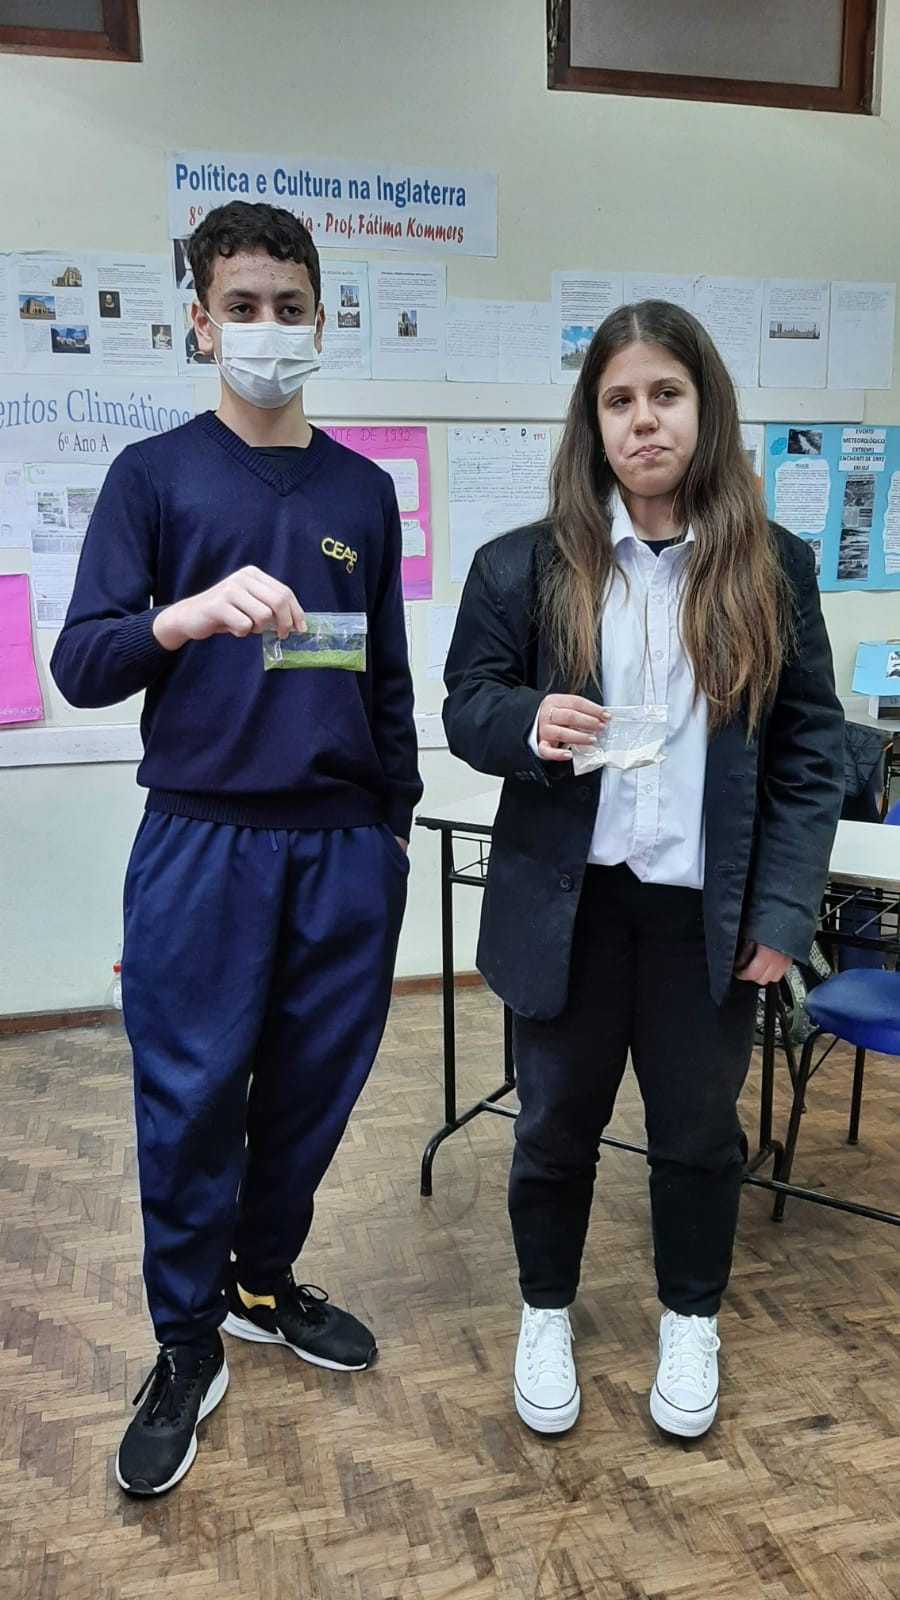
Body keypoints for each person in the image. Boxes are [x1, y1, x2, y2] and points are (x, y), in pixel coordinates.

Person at [51, 201, 421, 1495]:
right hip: (202, 845)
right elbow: (81, 662)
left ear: (324, 318)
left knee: (314, 1092)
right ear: (199, 323)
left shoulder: (363, 492)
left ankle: (262, 1280)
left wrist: (391, 830)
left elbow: (385, 678)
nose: (269, 328)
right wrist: (183, 616)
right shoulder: (152, 478)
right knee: (192, 1100)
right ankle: (184, 1336)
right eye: (243, 307)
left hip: (342, 850)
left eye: (290, 306)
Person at [443, 300, 843, 1441]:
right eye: (619, 400)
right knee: (553, 1129)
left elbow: (810, 749)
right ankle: (544, 1312)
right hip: (567, 910)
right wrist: (528, 720)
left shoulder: (773, 567)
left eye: (666, 394)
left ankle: (690, 1318)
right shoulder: (521, 566)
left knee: (699, 1135)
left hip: (702, 916)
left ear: (705, 407)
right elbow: (466, 705)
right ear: (594, 422)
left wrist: (783, 911)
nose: (644, 420)